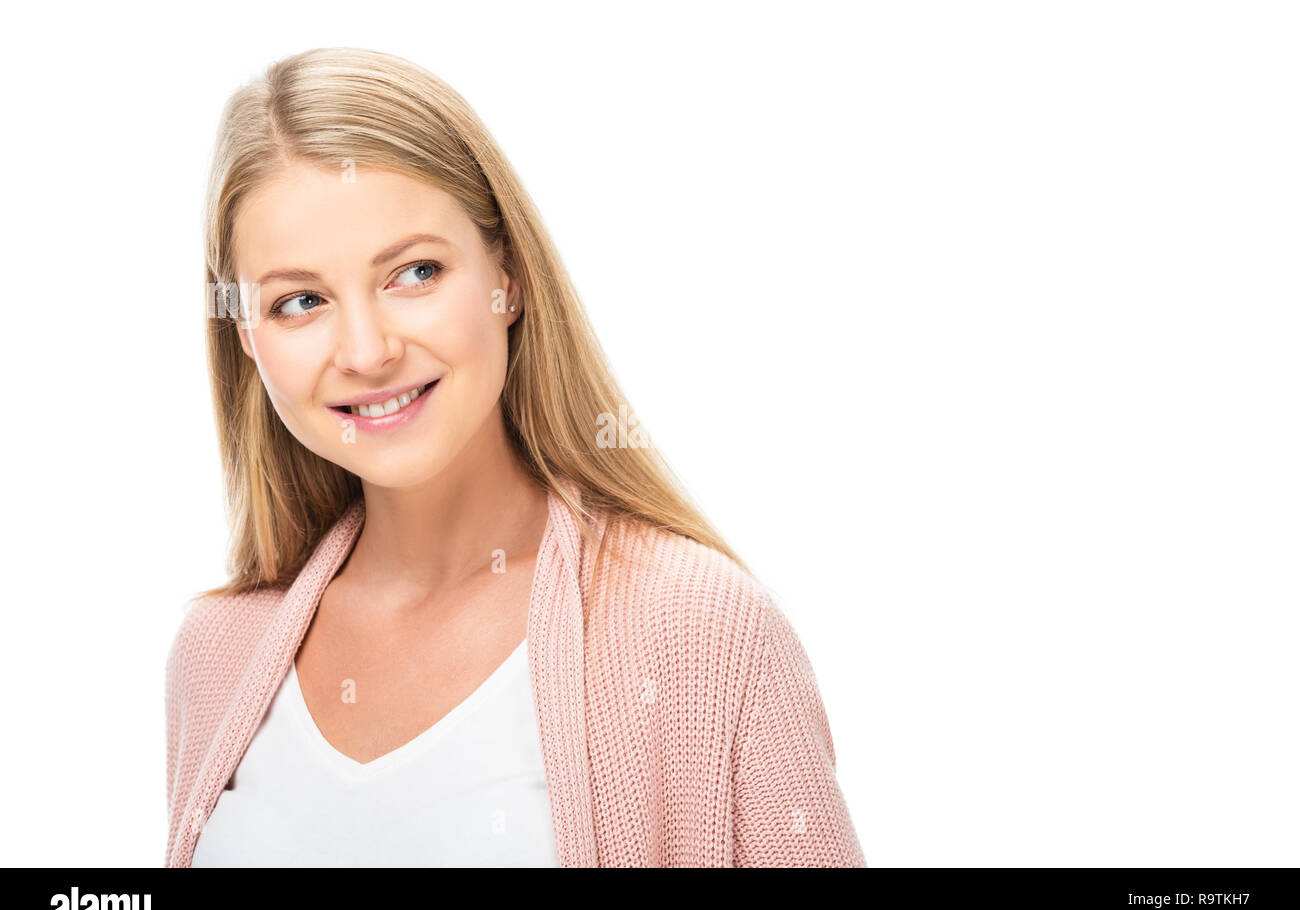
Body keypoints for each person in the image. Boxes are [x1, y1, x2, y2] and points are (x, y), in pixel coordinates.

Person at [165, 46, 865, 867]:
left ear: (510, 275)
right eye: (301, 301)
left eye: (414, 272)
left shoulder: (699, 631)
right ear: (247, 337)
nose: (365, 349)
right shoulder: (214, 656)